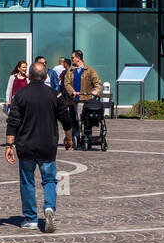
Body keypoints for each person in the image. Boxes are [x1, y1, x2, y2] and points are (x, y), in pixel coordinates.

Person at [6, 61, 73, 232]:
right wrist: (68, 138)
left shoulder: (20, 95)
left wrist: (9, 145)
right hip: (48, 144)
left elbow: (12, 122)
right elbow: (65, 119)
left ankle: (31, 219)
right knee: (50, 179)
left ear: (29, 76)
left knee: (27, 181)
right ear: (45, 77)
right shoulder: (55, 95)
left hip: (26, 145)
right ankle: (49, 208)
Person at [62, 50, 102, 124]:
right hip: (72, 100)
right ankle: (75, 135)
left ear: (78, 58)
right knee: (73, 121)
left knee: (84, 120)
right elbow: (66, 83)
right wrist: (72, 92)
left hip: (85, 100)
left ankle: (86, 134)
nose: (72, 59)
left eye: (73, 57)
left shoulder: (90, 70)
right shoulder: (70, 70)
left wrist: (96, 91)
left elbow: (97, 83)